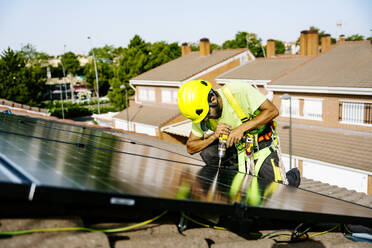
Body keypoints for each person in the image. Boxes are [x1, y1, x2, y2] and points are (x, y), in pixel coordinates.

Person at [177, 79, 300, 187]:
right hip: (236, 147)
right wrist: (214, 136)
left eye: (207, 115)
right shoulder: (201, 113)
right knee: (209, 153)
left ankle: (292, 177)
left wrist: (241, 129)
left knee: (277, 189)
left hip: (262, 143)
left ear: (212, 99)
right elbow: (191, 147)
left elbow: (272, 111)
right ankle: (239, 180)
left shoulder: (238, 90)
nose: (206, 120)